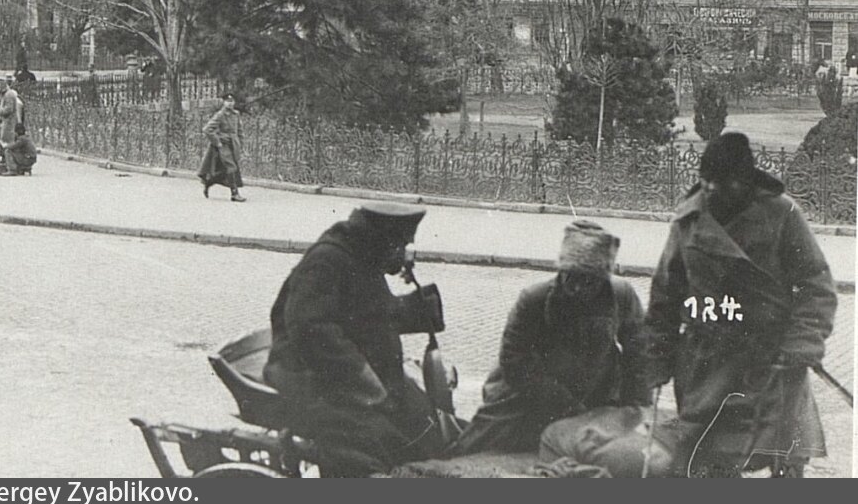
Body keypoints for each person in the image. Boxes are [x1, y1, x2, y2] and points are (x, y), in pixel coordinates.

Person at [643, 131, 838, 477]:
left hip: (772, 360)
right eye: (706, 179)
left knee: (782, 457)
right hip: (707, 363)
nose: (711, 189)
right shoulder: (689, 219)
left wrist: (802, 343)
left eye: (722, 181)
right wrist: (658, 357)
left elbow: (815, 286)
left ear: (745, 182)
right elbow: (665, 296)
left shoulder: (781, 214)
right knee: (706, 460)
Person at [263, 203, 448, 476]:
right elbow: (311, 329)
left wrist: (416, 309)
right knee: (373, 442)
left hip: (361, 374)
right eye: (399, 245)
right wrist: (365, 380)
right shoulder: (327, 260)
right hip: (313, 376)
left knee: (425, 422)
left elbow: (367, 312)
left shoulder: (362, 256)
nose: (403, 253)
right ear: (381, 239)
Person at [450, 221, 649, 455]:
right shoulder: (535, 298)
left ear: (602, 279)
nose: (577, 288)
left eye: (588, 281)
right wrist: (563, 404)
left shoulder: (621, 295)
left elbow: (639, 351)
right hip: (529, 392)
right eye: (571, 277)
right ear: (561, 271)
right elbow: (514, 360)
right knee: (477, 447)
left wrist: (635, 404)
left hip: (595, 391)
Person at [199, 89, 247, 201]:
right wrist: (218, 142)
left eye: (232, 101)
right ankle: (234, 194)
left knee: (225, 171)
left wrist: (241, 144)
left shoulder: (236, 114)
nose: (230, 103)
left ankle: (209, 182)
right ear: (223, 102)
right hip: (223, 145)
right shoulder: (220, 115)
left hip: (233, 145)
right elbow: (207, 129)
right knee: (231, 167)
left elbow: (239, 131)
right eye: (227, 101)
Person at [0, 77, 22, 174]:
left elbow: (8, 109)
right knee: (5, 143)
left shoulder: (9, 95)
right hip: (7, 122)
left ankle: (11, 168)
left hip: (10, 123)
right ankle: (8, 165)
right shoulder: (6, 94)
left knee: (8, 144)